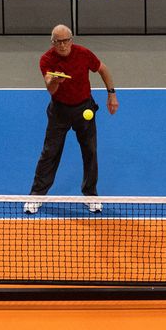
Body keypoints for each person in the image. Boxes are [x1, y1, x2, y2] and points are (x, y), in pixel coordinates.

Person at [24, 25, 119, 214]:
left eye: (66, 40)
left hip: (84, 109)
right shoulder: (47, 60)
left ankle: (90, 195)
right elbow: (50, 89)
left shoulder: (83, 53)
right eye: (58, 41)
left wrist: (112, 94)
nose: (62, 44)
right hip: (59, 111)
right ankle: (36, 196)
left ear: (71, 40)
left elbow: (103, 69)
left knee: (90, 151)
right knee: (50, 152)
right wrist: (55, 82)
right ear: (53, 42)